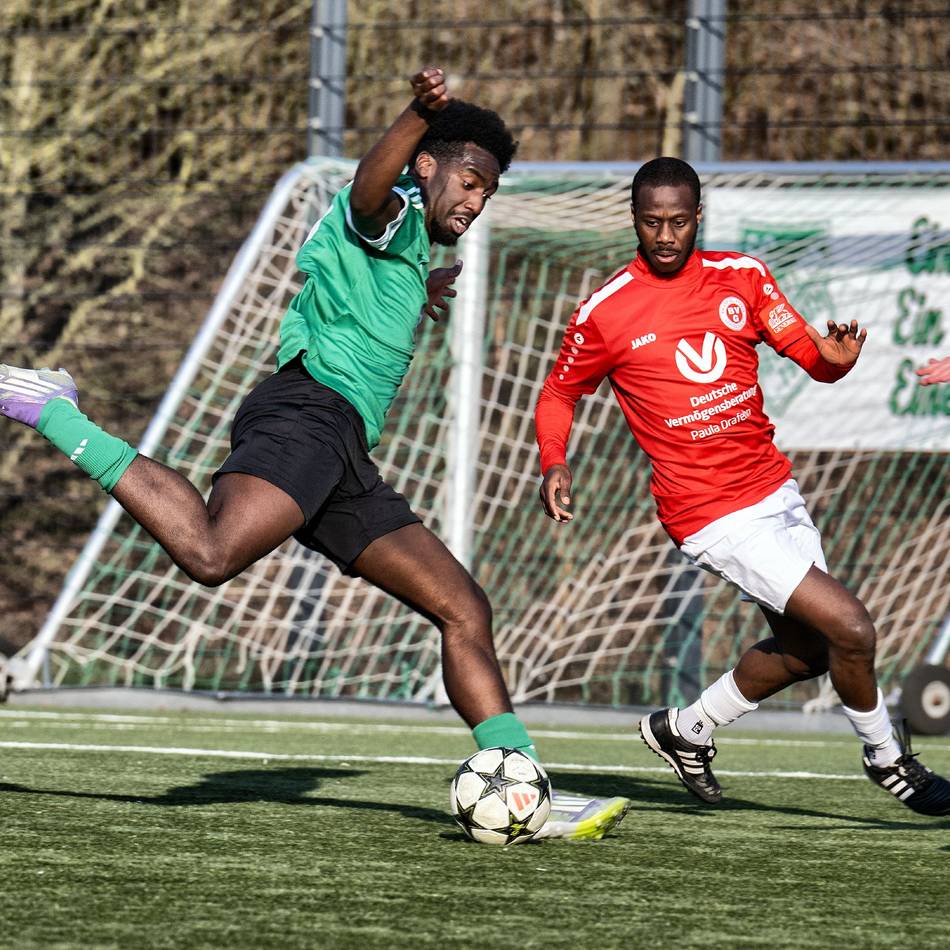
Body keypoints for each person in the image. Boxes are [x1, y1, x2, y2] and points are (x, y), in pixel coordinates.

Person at [0, 67, 629, 840]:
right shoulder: (392, 208)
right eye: (469, 181)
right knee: (208, 551)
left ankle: (523, 784)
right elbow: (368, 190)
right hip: (306, 416)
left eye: (487, 193)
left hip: (343, 450)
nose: (475, 201)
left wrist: (414, 294)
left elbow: (367, 279)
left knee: (462, 608)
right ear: (426, 165)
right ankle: (50, 409)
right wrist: (413, 115)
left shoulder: (407, 253)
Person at [535, 156, 950, 816]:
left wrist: (835, 362)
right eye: (650, 222)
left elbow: (813, 358)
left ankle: (687, 728)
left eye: (677, 221)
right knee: (852, 629)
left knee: (808, 651)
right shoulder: (605, 311)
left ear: (698, 216)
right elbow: (559, 392)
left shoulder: (744, 278)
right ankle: (888, 760)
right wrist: (553, 461)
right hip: (707, 512)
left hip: (774, 491)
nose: (665, 235)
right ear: (634, 221)